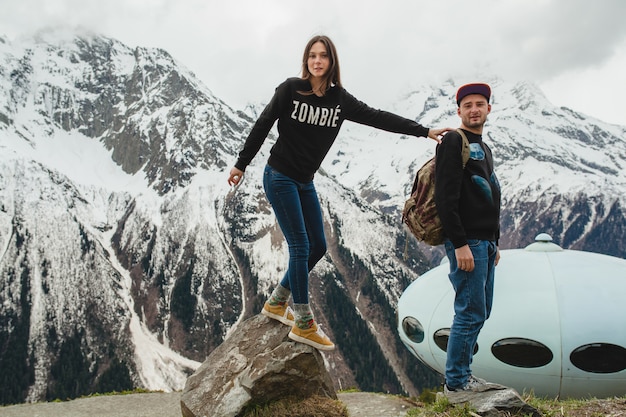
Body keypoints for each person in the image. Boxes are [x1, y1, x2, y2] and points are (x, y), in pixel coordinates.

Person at [227, 35, 451, 351]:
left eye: (323, 56)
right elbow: (263, 124)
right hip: (279, 177)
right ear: (306, 61)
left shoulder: (339, 101)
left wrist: (424, 131)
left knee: (317, 245)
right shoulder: (290, 89)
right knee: (301, 245)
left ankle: (277, 303)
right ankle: (303, 322)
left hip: (305, 181)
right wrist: (241, 164)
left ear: (332, 62)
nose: (317, 61)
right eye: (312, 56)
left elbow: (378, 118)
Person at [434, 83, 501, 392]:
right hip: (467, 242)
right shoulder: (452, 142)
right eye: (468, 104)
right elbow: (445, 198)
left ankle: (463, 375)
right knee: (469, 312)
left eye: (480, 103)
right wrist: (460, 243)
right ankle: (457, 384)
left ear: (489, 108)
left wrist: (494, 242)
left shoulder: (484, 148)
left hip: (484, 243)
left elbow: (490, 195)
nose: (475, 109)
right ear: (458, 110)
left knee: (480, 311)